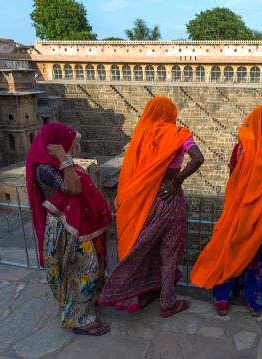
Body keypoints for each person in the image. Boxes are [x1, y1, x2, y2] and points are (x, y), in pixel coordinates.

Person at [191, 105, 262, 317]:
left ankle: (222, 301)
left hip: (242, 210)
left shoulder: (240, 149)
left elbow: (233, 178)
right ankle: (255, 303)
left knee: (231, 248)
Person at [98, 97, 204, 317]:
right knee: (168, 252)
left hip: (145, 201)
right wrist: (177, 181)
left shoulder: (143, 135)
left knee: (143, 249)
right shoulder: (180, 134)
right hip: (169, 200)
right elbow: (198, 158)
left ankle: (143, 293)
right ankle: (167, 303)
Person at [26, 123, 112, 335]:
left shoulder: (57, 165)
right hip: (66, 228)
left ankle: (84, 307)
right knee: (86, 271)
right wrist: (64, 158)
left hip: (75, 225)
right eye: (68, 145)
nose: (71, 149)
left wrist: (65, 160)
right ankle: (80, 320)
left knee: (85, 269)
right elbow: (73, 189)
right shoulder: (45, 168)